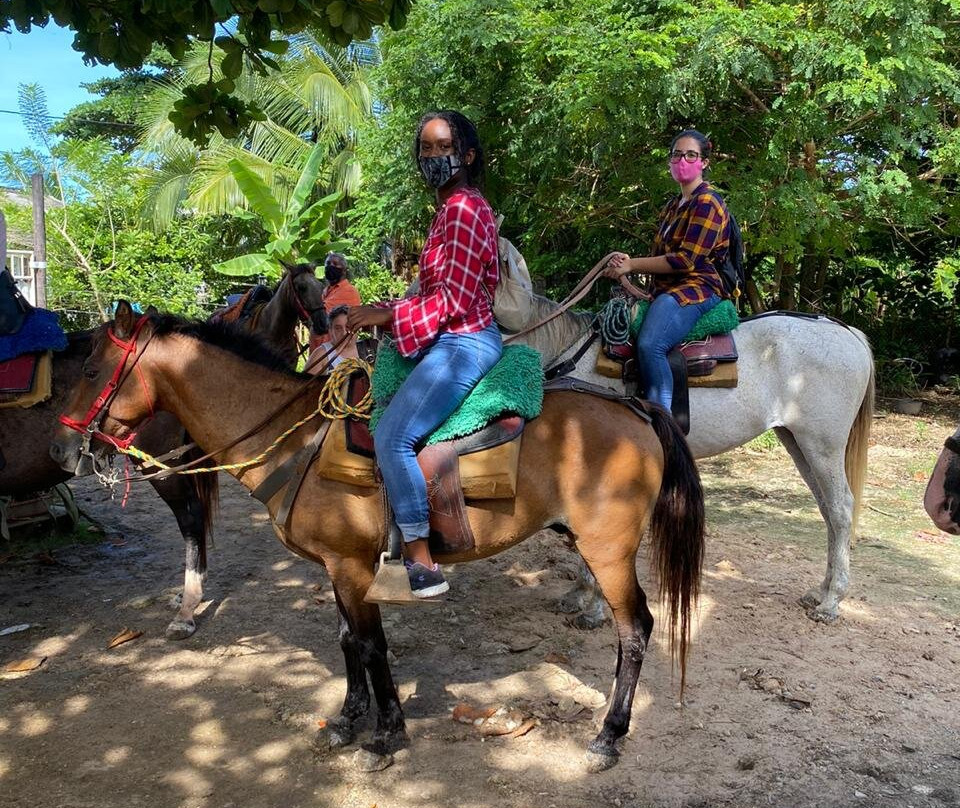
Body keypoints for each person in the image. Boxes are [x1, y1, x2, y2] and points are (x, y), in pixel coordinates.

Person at [347, 110, 501, 598]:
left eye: (443, 147)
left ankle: (420, 557)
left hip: (464, 341)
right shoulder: (449, 210)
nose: (433, 157)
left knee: (393, 435)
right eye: (426, 149)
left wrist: (386, 318)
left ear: (468, 155)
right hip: (449, 337)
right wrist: (381, 308)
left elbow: (452, 300)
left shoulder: (461, 211)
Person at [602, 129, 731, 411]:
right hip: (665, 289)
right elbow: (659, 257)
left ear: (704, 162)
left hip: (697, 288)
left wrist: (632, 264)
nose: (682, 160)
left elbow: (685, 261)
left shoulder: (708, 203)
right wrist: (626, 265)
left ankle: (663, 425)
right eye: (676, 154)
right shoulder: (673, 206)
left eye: (691, 155)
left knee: (651, 344)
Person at [309, 253, 362, 354]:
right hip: (319, 349)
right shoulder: (325, 291)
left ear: (344, 270)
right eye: (328, 264)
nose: (330, 266)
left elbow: (318, 313)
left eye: (335, 264)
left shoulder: (349, 291)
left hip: (336, 352)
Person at [306, 305, 358, 373]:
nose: (344, 333)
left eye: (349, 327)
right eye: (338, 328)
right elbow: (305, 383)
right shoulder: (322, 354)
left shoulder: (368, 349)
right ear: (330, 331)